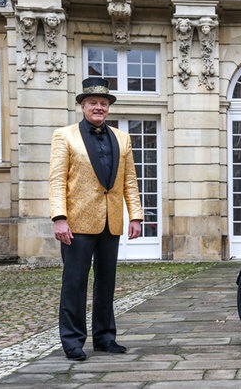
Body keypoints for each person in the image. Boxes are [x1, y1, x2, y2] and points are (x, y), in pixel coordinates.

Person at [49, 78, 143, 361]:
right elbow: (57, 181)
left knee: (106, 282)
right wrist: (59, 217)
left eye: (103, 103)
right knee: (74, 283)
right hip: (76, 223)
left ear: (109, 107)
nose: (99, 107)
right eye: (93, 103)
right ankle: (73, 341)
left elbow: (129, 181)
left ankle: (105, 337)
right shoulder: (64, 136)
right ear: (82, 106)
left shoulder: (122, 138)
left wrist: (135, 216)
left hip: (110, 221)